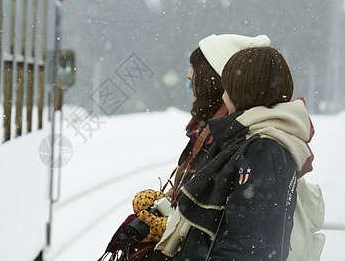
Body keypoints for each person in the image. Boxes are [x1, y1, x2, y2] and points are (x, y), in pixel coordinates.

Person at [98, 34, 271, 261]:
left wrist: (171, 226)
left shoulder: (231, 136)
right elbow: (194, 189)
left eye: (195, 68)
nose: (189, 75)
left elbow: (220, 220)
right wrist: (165, 200)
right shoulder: (206, 129)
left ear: (215, 78)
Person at [155, 46, 323, 261]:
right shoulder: (252, 140)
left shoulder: (263, 149)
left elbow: (246, 245)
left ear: (242, 91)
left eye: (227, 88)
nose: (224, 96)